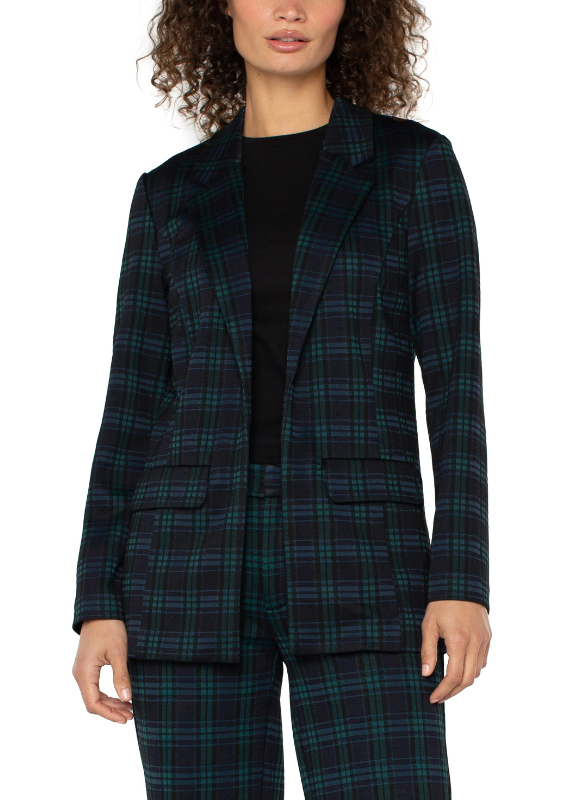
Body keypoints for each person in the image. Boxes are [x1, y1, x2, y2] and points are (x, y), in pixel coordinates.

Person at [72, 1, 491, 797]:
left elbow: (456, 391)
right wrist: (99, 597)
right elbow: (129, 406)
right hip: (186, 567)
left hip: (363, 559)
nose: (289, 9)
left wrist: (461, 579)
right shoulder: (170, 195)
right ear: (220, 7)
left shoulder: (413, 169)